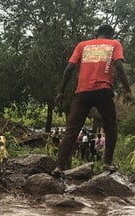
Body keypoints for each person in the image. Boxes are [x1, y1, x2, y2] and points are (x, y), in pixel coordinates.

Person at [53, 24, 133, 176]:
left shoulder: (82, 45)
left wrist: (60, 92)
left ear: (97, 34)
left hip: (82, 92)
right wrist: (128, 90)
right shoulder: (114, 44)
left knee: (72, 130)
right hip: (103, 90)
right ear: (111, 35)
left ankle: (59, 167)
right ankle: (107, 164)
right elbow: (119, 66)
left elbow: (69, 68)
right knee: (110, 126)